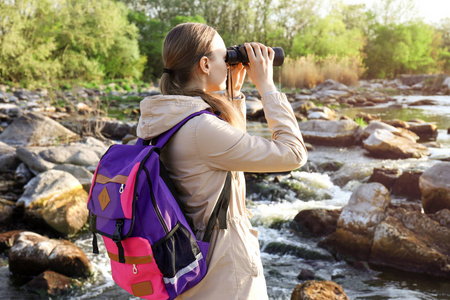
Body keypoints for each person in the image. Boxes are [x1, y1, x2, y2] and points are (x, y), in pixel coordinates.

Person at [137, 22, 307, 300]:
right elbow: (293, 154)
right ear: (205, 64)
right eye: (222, 54)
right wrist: (268, 87)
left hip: (190, 271)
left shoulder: (166, 119)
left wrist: (233, 97)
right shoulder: (201, 129)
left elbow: (229, 161)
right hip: (225, 278)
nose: (228, 60)